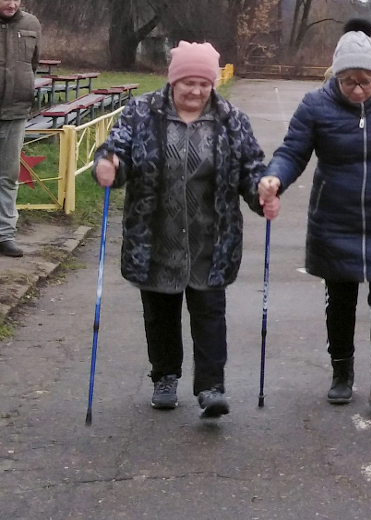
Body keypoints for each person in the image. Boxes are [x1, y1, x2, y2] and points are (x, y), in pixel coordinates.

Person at [93, 41, 278, 418]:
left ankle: (212, 386)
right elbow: (117, 150)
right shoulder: (142, 112)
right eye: (187, 83)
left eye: (204, 84)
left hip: (212, 234)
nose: (195, 91)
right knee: (160, 311)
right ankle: (165, 376)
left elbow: (251, 167)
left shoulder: (231, 119)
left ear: (213, 84)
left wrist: (264, 191)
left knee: (210, 310)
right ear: (172, 80)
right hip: (155, 231)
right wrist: (108, 166)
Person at [259, 28, 371, 414]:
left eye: (365, 81)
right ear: (335, 76)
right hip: (335, 219)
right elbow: (293, 151)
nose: (357, 90)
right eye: (348, 81)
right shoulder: (315, 105)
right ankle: (342, 372)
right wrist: (275, 177)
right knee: (340, 300)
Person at [0, 0, 40, 258]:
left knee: (8, 176)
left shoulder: (32, 24)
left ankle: (4, 234)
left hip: (16, 111)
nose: (11, 4)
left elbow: (33, 63)